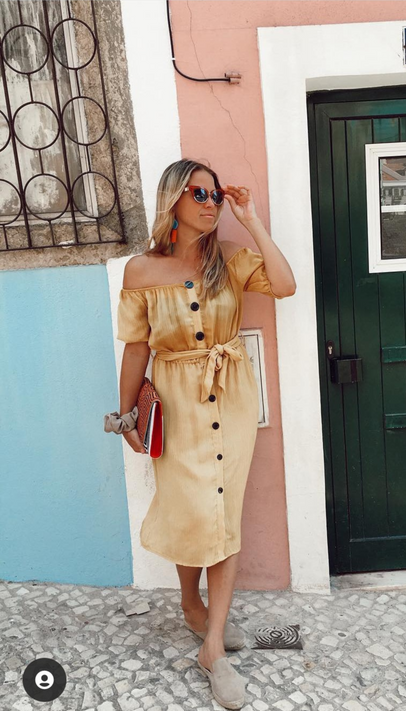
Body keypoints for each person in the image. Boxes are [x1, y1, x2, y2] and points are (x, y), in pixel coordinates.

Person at [114, 159, 296, 709]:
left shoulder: (230, 259)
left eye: (215, 195)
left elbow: (285, 285)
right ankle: (191, 605)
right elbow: (137, 348)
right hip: (177, 402)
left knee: (222, 512)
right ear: (173, 199)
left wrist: (252, 218)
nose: (211, 202)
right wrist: (125, 416)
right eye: (200, 194)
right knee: (191, 508)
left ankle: (212, 645)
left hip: (231, 397)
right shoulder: (141, 271)